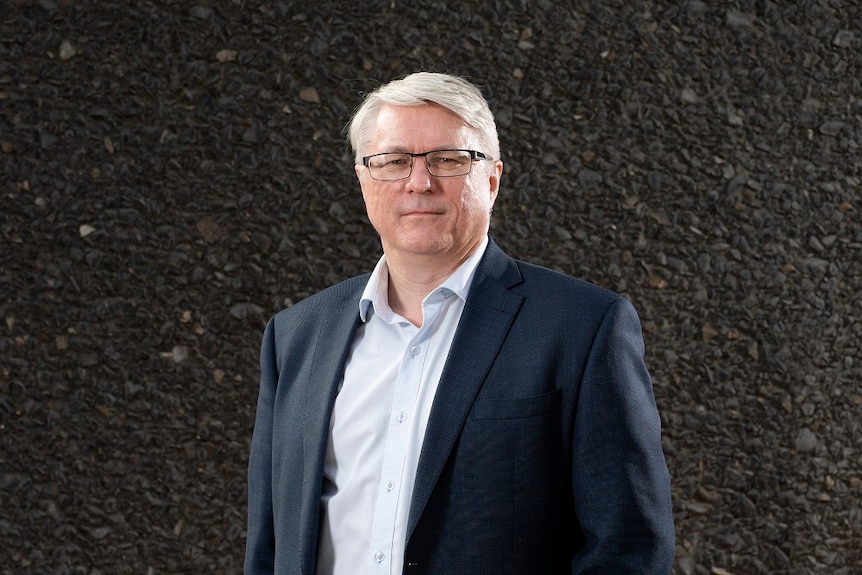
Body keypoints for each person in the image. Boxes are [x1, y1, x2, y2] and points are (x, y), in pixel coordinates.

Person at [244, 71, 675, 574]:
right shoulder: (296, 336)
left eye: (447, 160)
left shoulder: (581, 328)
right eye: (393, 161)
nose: (419, 182)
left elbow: (627, 547)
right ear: (363, 178)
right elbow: (271, 542)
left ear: (492, 179)